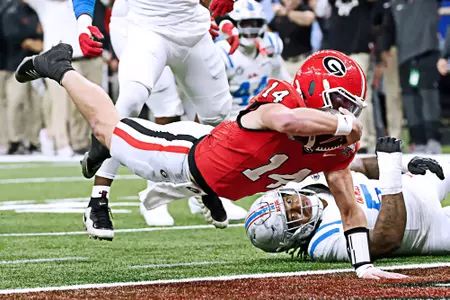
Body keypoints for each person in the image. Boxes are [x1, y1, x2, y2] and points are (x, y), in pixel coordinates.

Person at [16, 42, 407, 279]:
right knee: (106, 124)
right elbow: (286, 121)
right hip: (185, 156)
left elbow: (348, 205)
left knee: (117, 135)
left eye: (350, 107)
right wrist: (341, 121)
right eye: (340, 103)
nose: (347, 114)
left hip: (215, 171)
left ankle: (113, 145)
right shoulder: (284, 101)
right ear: (312, 91)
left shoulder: (336, 147)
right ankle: (57, 65)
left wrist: (363, 265)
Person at [72, 0, 234, 238]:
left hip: (194, 32)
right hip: (148, 29)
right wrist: (83, 23)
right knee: (131, 101)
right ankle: (98, 200)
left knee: (218, 115)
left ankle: (201, 182)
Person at [246, 136, 449, 266]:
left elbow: (361, 166)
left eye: (288, 202)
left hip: (415, 184)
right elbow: (387, 240)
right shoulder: (324, 243)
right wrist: (391, 173)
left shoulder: (306, 180)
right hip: (429, 230)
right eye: (292, 217)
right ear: (290, 238)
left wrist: (404, 166)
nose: (299, 205)